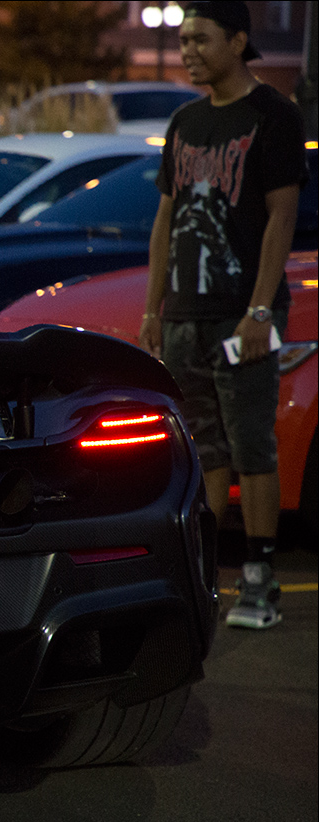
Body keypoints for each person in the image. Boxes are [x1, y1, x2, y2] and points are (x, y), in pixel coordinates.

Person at [139, 0, 307, 630]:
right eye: (181, 40)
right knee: (204, 449)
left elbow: (281, 217)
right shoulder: (184, 122)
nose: (187, 50)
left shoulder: (274, 116)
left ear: (238, 41)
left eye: (200, 39)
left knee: (251, 444)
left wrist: (261, 311)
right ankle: (205, 573)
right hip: (185, 313)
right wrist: (154, 307)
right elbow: (166, 219)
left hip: (243, 315)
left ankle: (261, 580)